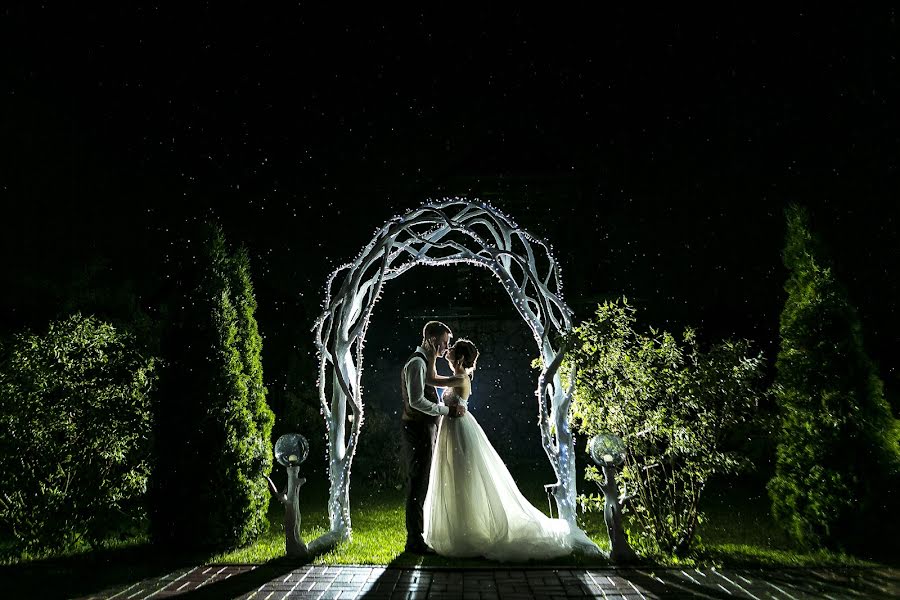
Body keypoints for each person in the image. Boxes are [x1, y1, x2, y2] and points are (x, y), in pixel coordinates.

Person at [423, 338, 599, 561]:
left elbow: (431, 379)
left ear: (458, 358)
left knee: (462, 475)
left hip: (458, 429)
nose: (446, 351)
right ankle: (460, 527)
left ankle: (466, 531)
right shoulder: (459, 376)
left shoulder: (460, 377)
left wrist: (429, 355)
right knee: (455, 476)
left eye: (451, 350)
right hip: (452, 427)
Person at [400, 321, 466, 554]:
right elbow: (416, 401)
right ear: (431, 339)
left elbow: (432, 381)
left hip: (423, 428)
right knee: (418, 484)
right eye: (445, 342)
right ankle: (414, 541)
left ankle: (418, 537)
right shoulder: (416, 363)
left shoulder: (423, 364)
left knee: (422, 482)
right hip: (417, 430)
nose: (446, 348)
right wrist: (447, 410)